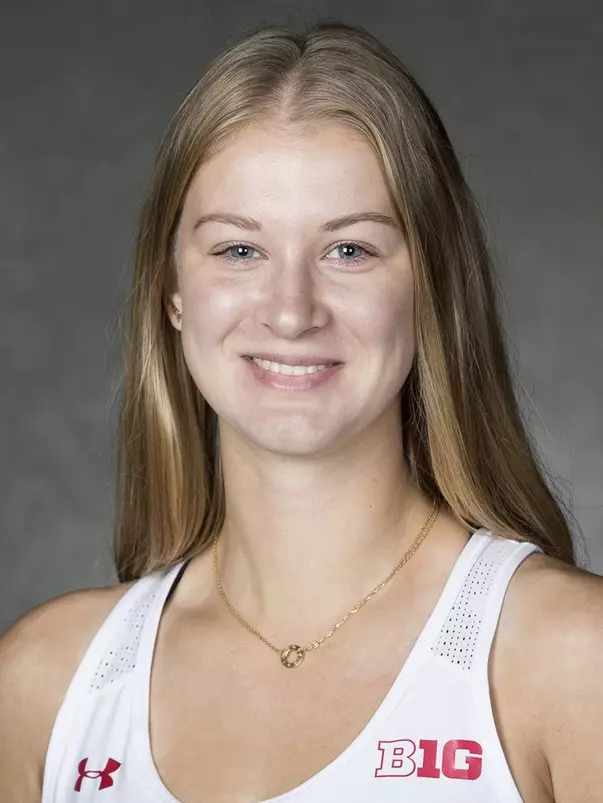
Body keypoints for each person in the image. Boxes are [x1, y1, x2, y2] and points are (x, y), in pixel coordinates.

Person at [1, 17, 602, 803]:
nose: (290, 311)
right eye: (238, 250)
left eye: (348, 250)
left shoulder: (567, 661)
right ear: (172, 292)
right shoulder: (43, 686)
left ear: (432, 290)